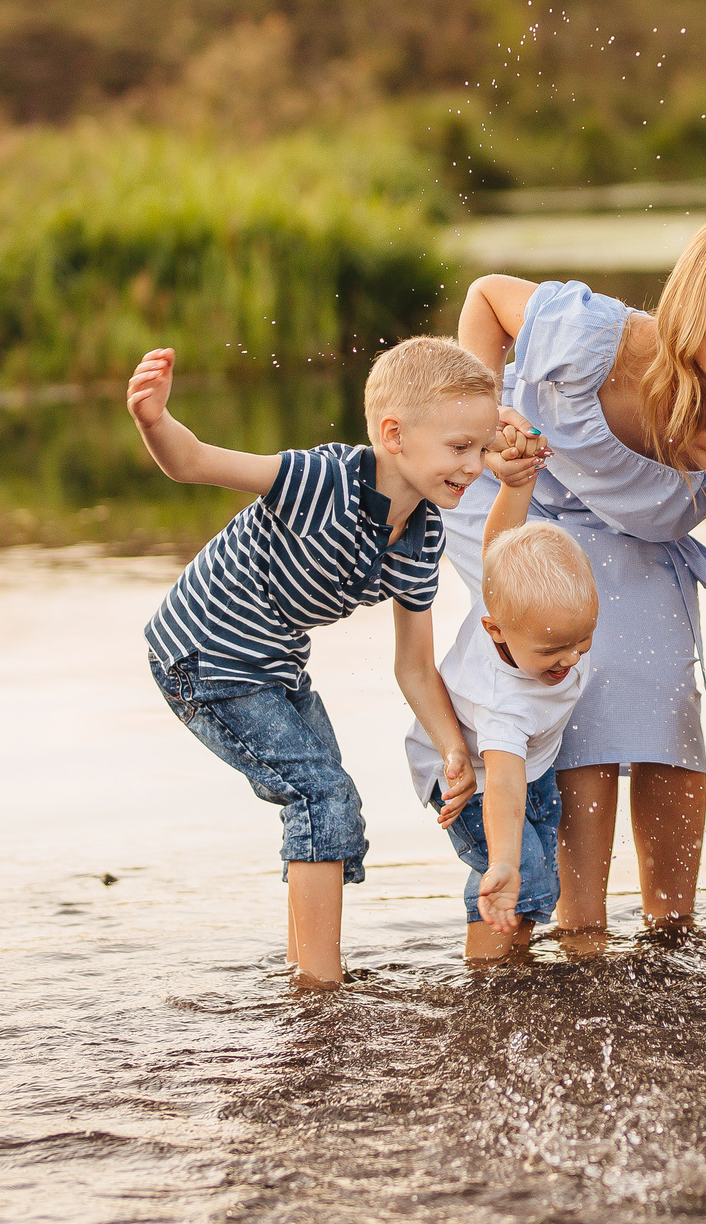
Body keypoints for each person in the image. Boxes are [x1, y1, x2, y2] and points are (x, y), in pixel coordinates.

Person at [456, 210, 706, 939]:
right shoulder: (602, 341)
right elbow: (485, 297)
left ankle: (672, 939)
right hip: (513, 500)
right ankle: (576, 934)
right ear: (687, 296)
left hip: (634, 535)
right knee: (577, 683)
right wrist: (489, 425)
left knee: (668, 698)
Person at [128, 335, 488, 989]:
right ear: (394, 434)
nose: (476, 464)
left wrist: (452, 747)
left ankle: (302, 969)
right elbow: (192, 461)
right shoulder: (322, 478)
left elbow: (413, 664)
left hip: (275, 664)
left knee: (325, 796)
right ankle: (320, 992)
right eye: (461, 447)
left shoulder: (423, 537)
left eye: (484, 447)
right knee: (321, 794)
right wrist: (155, 419)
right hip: (205, 651)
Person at [406, 508, 598, 960]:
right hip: (470, 780)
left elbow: (499, 540)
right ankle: (486, 976)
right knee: (519, 871)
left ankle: (517, 960)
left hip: (532, 764)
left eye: (582, 640)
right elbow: (504, 786)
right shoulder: (501, 703)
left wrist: (515, 484)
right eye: (552, 650)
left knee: (541, 867)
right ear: (494, 630)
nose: (570, 659)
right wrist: (505, 861)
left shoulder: (523, 616)